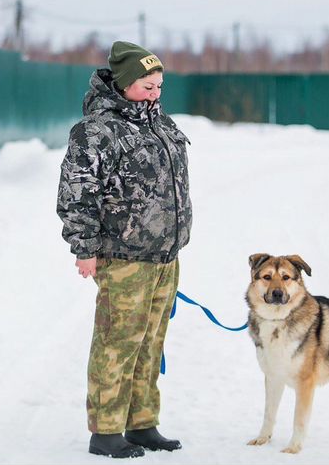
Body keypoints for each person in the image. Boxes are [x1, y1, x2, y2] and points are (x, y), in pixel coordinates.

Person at [56, 41, 192, 459]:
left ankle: (141, 423)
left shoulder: (159, 122)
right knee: (118, 344)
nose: (155, 94)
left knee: (151, 344)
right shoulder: (97, 130)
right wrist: (85, 247)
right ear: (124, 83)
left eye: (159, 86)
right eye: (147, 86)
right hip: (124, 258)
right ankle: (107, 431)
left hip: (164, 257)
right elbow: (78, 192)